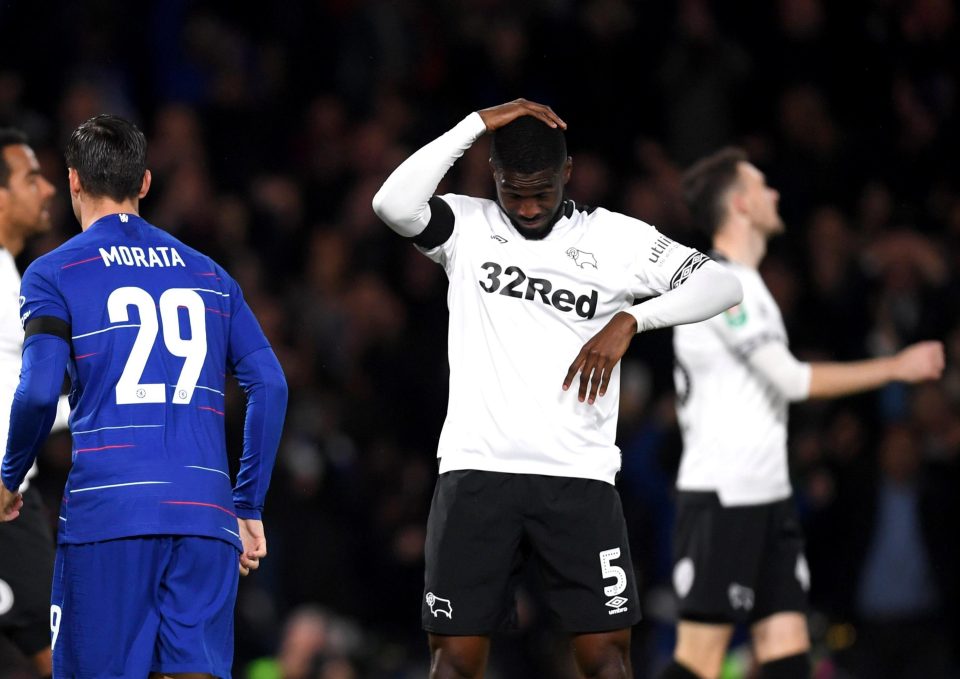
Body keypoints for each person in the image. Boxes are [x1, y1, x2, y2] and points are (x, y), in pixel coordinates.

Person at [372, 98, 743, 679]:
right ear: (491, 174)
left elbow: (721, 284)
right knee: (454, 664)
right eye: (511, 191)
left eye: (540, 191)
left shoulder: (616, 240)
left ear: (567, 173)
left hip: (579, 478)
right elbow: (390, 203)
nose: (525, 207)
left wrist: (632, 320)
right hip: (476, 474)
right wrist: (475, 125)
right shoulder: (467, 227)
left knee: (606, 658)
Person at [0, 114, 289, 679]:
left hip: (111, 513)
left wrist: (10, 476)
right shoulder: (209, 275)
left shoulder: (53, 273)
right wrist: (247, 504)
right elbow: (270, 385)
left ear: (75, 181)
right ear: (146, 183)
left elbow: (37, 394)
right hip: (206, 514)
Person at [662, 146, 945, 679]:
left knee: (787, 653)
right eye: (762, 185)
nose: (774, 194)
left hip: (765, 496)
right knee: (698, 663)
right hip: (726, 497)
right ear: (742, 204)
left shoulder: (752, 285)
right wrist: (895, 367)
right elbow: (791, 379)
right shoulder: (724, 285)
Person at [0, 128, 69, 679]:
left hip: (14, 503)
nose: (47, 189)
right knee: (69, 662)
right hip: (6, 505)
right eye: (30, 178)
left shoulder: (12, 274)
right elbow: (31, 398)